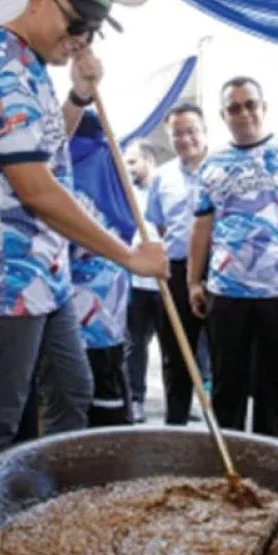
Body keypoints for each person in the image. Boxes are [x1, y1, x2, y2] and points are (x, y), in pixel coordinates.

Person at [0, 0, 167, 472]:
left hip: (46, 272)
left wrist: (79, 95)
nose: (80, 39)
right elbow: (37, 190)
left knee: (73, 387)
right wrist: (129, 257)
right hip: (5, 276)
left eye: (91, 31)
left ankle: (51, 505)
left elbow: (45, 148)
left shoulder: (30, 66)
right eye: (75, 23)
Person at [187, 77, 278, 440]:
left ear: (263, 107)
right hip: (228, 292)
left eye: (250, 104)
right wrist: (193, 281)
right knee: (227, 386)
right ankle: (226, 468)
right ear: (224, 115)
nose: (244, 113)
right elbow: (201, 228)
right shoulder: (211, 165)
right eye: (234, 107)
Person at [63, 111, 135, 426]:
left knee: (83, 373)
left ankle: (93, 437)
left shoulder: (72, 171)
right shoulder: (111, 165)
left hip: (80, 292)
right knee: (109, 367)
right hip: (113, 285)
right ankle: (117, 432)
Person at [145, 103, 211, 425]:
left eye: (191, 131)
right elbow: (159, 226)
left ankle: (224, 426)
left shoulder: (221, 168)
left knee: (223, 352)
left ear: (205, 131)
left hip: (218, 271)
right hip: (176, 270)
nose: (185, 139)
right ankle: (176, 422)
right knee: (176, 351)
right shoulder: (162, 177)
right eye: (177, 134)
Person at [123, 140, 161, 423]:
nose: (129, 166)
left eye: (133, 161)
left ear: (148, 160)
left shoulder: (164, 186)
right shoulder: (125, 193)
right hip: (136, 282)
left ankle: (180, 408)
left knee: (173, 347)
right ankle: (135, 398)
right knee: (135, 344)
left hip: (163, 281)